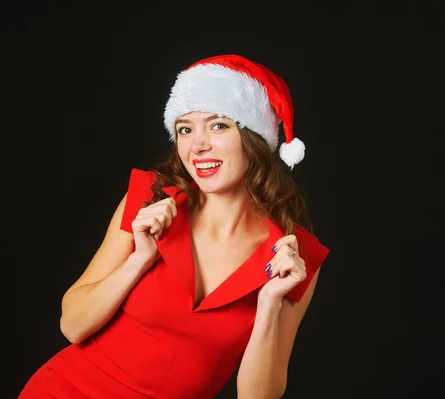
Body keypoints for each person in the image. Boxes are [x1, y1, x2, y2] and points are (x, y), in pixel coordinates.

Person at [17, 54, 330, 399]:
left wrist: (269, 303)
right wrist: (140, 260)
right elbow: (72, 325)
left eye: (218, 125)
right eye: (185, 129)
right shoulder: (148, 200)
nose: (198, 145)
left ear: (255, 138)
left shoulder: (293, 260)